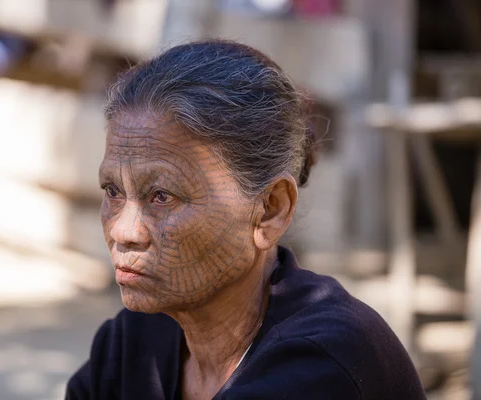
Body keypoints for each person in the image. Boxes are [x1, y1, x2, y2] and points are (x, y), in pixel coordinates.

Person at [66, 40, 426, 399]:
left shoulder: (320, 364)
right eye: (112, 191)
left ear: (270, 209)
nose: (122, 231)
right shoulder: (135, 343)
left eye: (162, 196)